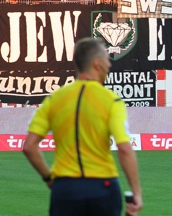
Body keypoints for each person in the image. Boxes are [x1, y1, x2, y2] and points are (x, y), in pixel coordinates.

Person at [23, 38, 142, 216]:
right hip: (103, 186)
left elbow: (29, 146)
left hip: (65, 188)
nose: (109, 64)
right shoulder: (112, 101)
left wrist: (49, 178)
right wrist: (136, 192)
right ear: (97, 64)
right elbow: (124, 148)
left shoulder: (54, 100)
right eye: (107, 59)